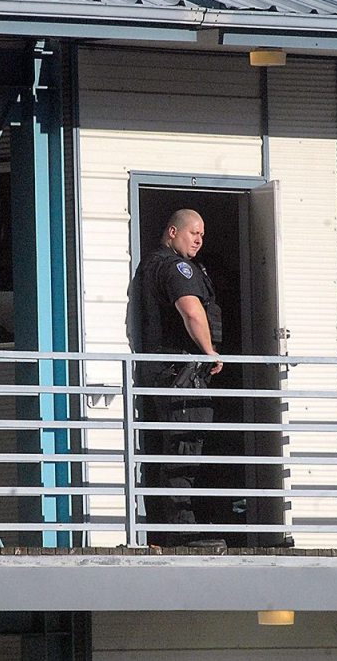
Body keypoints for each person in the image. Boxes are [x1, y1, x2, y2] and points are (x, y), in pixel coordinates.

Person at [131, 208, 224, 547]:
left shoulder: (152, 264)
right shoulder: (176, 268)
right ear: (173, 232)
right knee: (183, 450)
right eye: (193, 233)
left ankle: (177, 527)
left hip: (167, 372)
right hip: (179, 374)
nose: (199, 240)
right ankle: (182, 532)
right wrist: (210, 351)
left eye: (202, 235)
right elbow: (191, 311)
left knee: (178, 449)